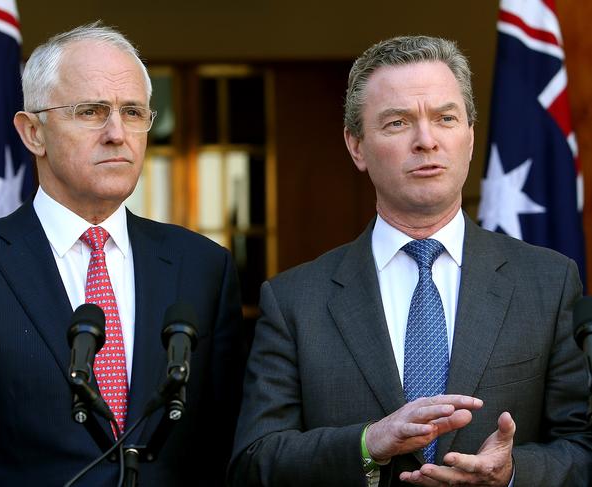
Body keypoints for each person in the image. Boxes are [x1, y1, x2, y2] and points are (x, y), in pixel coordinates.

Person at [229, 35, 592, 486]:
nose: (426, 140)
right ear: (356, 146)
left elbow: (582, 446)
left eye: (445, 118)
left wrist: (514, 473)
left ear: (471, 135)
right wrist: (367, 443)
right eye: (398, 122)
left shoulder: (549, 282)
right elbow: (254, 461)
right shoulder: (293, 301)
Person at [0, 23, 244, 486]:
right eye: (91, 111)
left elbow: (223, 445)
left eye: (133, 112)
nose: (116, 133)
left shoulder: (203, 266)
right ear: (32, 133)